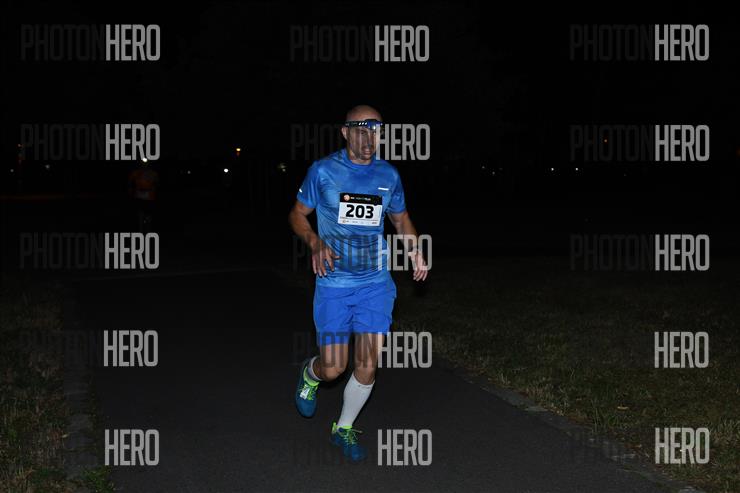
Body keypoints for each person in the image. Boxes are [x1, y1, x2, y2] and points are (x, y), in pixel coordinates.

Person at [288, 105, 428, 461]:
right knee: (334, 367)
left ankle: (343, 428)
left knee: (367, 362)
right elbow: (298, 214)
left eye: (376, 131)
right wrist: (315, 242)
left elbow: (401, 219)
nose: (369, 138)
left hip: (375, 283)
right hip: (334, 283)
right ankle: (310, 375)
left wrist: (415, 251)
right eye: (362, 130)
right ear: (345, 132)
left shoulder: (388, 175)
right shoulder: (323, 171)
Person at [128, 161, 159, 232]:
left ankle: (148, 229)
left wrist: (152, 186)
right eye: (143, 163)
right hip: (139, 196)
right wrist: (130, 189)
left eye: (146, 163)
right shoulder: (136, 172)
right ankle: (140, 230)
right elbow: (130, 181)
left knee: (148, 215)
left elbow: (157, 183)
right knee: (140, 214)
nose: (144, 165)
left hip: (150, 197)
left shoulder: (153, 173)